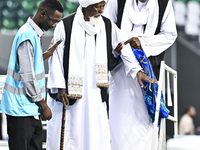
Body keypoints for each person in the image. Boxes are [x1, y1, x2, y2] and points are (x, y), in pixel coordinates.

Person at [46, 0, 157, 149]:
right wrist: (60, 86)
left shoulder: (107, 25)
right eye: (98, 7)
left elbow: (123, 46)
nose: (101, 11)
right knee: (72, 132)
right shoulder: (65, 25)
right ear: (86, 5)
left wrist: (137, 71)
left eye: (103, 7)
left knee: (96, 132)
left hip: (95, 91)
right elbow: (56, 57)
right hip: (71, 91)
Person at [103, 0, 177, 149]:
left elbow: (169, 34)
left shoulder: (163, 3)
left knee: (144, 123)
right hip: (120, 69)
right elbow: (107, 27)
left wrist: (143, 43)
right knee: (119, 120)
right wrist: (122, 48)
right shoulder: (116, 2)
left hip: (149, 70)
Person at [0, 0, 63, 149]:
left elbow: (30, 62)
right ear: (42, 13)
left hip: (29, 109)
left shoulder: (33, 34)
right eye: (53, 21)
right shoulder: (27, 35)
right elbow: (27, 75)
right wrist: (43, 105)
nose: (54, 25)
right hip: (20, 111)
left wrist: (46, 54)